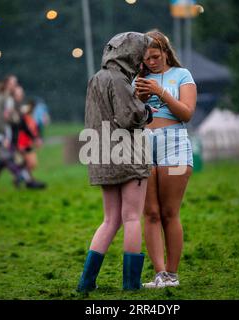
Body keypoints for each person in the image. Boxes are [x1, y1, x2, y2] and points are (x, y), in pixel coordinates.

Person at [77, 32, 155, 292]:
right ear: (131, 55)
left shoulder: (95, 79)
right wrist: (147, 111)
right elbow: (128, 117)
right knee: (132, 217)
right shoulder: (119, 80)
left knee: (110, 220)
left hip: (100, 156)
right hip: (128, 157)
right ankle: (132, 284)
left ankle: (86, 283)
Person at [134, 30, 197, 288]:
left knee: (170, 212)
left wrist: (161, 92)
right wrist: (139, 99)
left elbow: (186, 113)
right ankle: (159, 274)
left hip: (175, 142)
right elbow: (130, 117)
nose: (151, 62)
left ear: (166, 52)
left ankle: (172, 274)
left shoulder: (182, 76)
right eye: (146, 58)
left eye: (156, 56)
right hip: (144, 142)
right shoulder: (139, 80)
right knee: (150, 213)